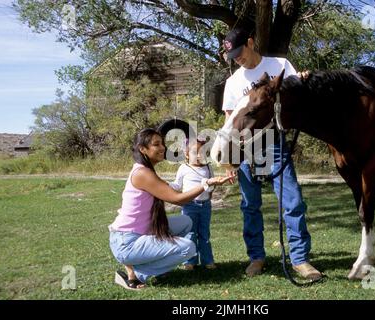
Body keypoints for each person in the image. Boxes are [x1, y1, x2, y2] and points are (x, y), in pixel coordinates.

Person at [221, 27, 322, 281]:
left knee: (292, 201)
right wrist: (229, 160)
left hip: (274, 143)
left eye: (239, 52)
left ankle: (300, 259)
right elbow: (229, 120)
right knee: (249, 205)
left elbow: (296, 95)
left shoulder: (279, 64)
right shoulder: (233, 82)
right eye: (232, 56)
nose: (237, 59)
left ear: (251, 42)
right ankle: (256, 256)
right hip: (245, 148)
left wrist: (303, 79)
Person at [108, 128, 230, 290]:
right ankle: (136, 273)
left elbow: (169, 189)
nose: (163, 148)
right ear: (142, 149)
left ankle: (152, 264)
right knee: (188, 247)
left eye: (163, 143)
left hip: (140, 234)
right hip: (127, 243)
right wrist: (206, 184)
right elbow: (177, 199)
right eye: (156, 144)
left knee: (186, 222)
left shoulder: (146, 170)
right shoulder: (142, 173)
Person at [169, 138, 218, 270]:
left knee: (204, 234)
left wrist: (211, 188)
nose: (198, 155)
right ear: (186, 154)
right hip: (189, 205)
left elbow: (212, 185)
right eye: (194, 152)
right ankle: (190, 261)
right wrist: (165, 185)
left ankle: (207, 260)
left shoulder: (208, 167)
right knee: (190, 234)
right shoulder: (184, 168)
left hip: (205, 206)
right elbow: (177, 185)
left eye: (201, 152)